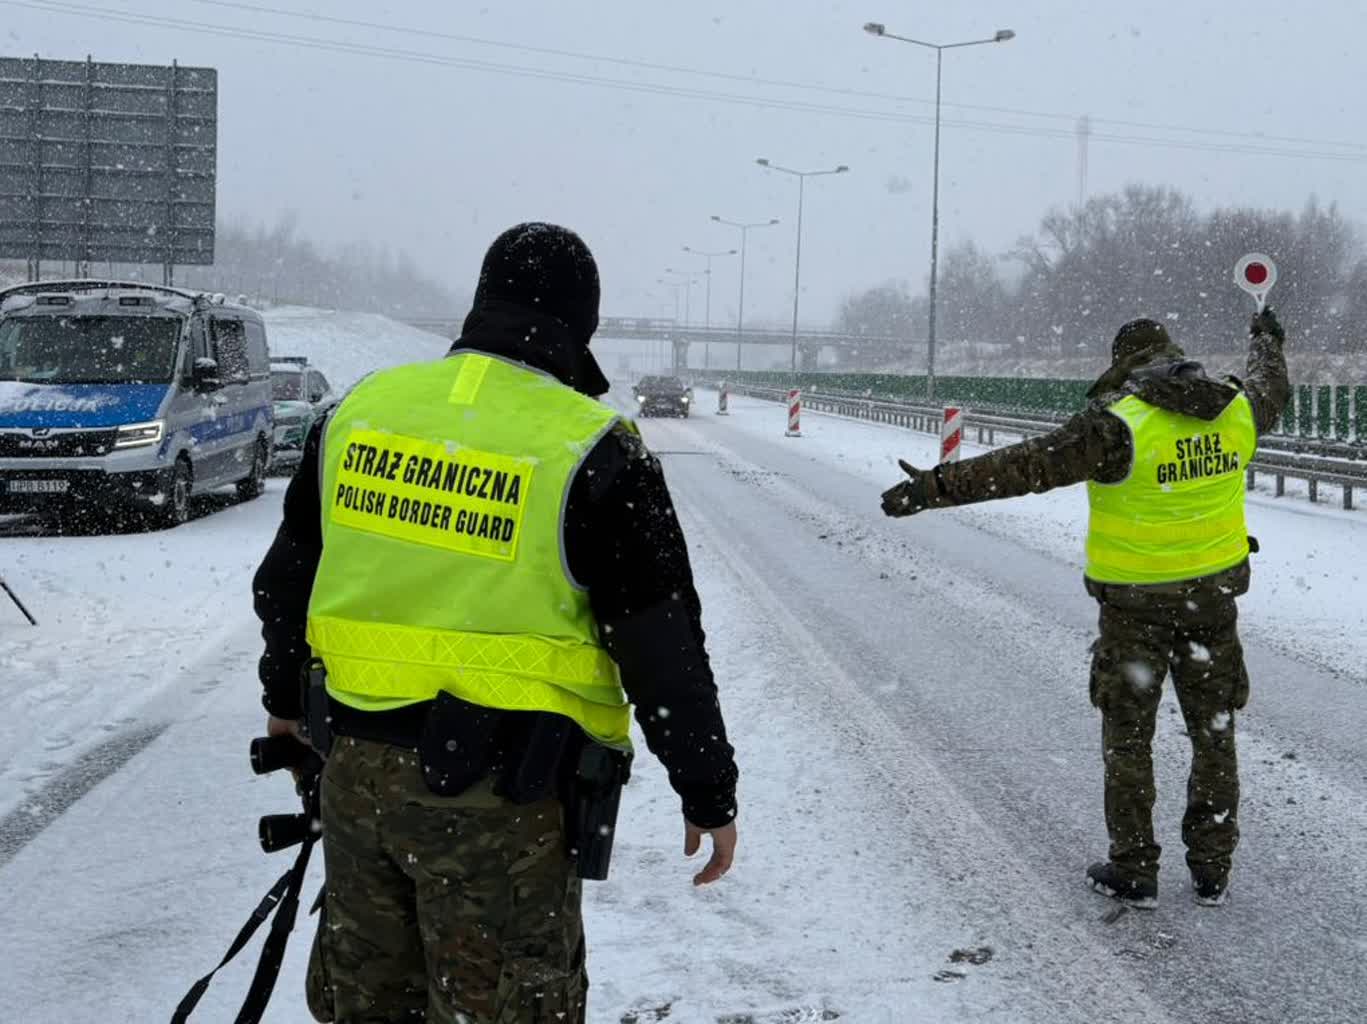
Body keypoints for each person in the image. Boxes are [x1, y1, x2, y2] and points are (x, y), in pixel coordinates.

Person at [252, 222, 739, 1023]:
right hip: (501, 806)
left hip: (355, 780)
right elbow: (663, 652)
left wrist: (282, 704)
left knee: (369, 1004)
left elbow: (286, 585)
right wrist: (707, 789)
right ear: (581, 325)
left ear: (482, 302)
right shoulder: (594, 450)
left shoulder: (361, 411)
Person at [881, 310, 1288, 909]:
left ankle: (1134, 867)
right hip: (1212, 605)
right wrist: (1265, 340)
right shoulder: (1237, 408)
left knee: (1129, 739)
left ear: (1124, 366)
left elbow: (1022, 468)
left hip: (1135, 612)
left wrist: (933, 487)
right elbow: (1272, 385)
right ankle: (1211, 867)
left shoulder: (1117, 425)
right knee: (1215, 733)